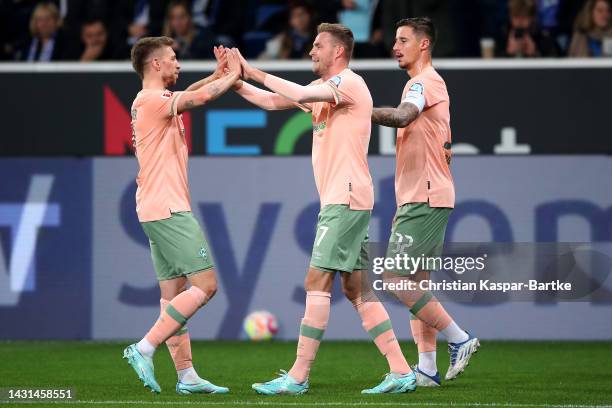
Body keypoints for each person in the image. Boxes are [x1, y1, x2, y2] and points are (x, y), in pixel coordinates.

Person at [231, 22, 416, 395]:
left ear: (338, 52)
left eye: (318, 46)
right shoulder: (322, 92)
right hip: (345, 197)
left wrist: (252, 69)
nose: (311, 51)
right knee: (357, 289)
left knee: (316, 281)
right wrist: (234, 80)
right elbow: (271, 101)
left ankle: (298, 376)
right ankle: (401, 371)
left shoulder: (350, 83)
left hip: (344, 198)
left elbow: (295, 89)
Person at [122, 37, 241, 395]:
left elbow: (191, 90)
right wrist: (233, 74)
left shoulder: (151, 101)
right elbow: (200, 97)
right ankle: (144, 347)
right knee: (206, 286)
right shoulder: (152, 101)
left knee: (172, 295)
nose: (178, 64)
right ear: (155, 64)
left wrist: (216, 74)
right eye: (173, 59)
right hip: (169, 208)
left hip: (154, 207)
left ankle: (186, 376)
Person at [370, 17, 479, 387]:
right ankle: (428, 370)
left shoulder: (423, 83)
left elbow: (404, 115)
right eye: (394, 40)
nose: (395, 46)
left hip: (424, 195)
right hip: (426, 194)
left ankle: (460, 338)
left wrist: (358, 112)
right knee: (416, 282)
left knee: (394, 278)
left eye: (403, 40)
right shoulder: (423, 83)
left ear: (424, 45)